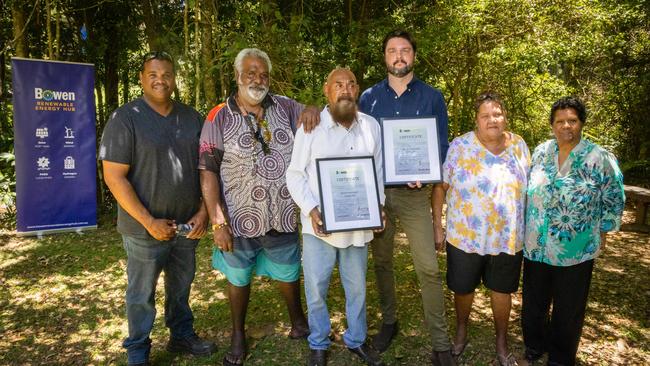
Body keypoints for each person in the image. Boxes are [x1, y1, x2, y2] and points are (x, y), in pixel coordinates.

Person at [99, 51, 216, 366]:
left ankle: (181, 335)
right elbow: (113, 175)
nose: (160, 80)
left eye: (166, 74)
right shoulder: (125, 118)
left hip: (187, 226)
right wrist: (149, 221)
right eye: (153, 74)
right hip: (142, 229)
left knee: (181, 286)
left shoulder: (193, 118)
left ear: (174, 78)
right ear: (141, 78)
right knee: (141, 293)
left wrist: (204, 212)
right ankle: (137, 349)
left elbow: (208, 170)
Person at [198, 48, 313, 366]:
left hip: (282, 214)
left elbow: (317, 118)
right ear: (237, 76)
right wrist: (218, 221)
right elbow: (207, 171)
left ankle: (298, 322)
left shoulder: (287, 107)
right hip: (237, 218)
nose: (258, 79)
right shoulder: (218, 116)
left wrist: (315, 108)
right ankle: (238, 334)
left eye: (263, 74)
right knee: (239, 277)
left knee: (289, 273)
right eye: (250, 73)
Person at [358, 30, 455, 365]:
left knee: (427, 267)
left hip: (416, 196)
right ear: (384, 57)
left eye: (405, 50)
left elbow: (441, 148)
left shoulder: (432, 97)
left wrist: (427, 173)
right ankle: (389, 322)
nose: (398, 56)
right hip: (378, 194)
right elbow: (357, 145)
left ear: (414, 54)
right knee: (382, 262)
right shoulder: (368, 97)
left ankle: (440, 342)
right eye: (391, 51)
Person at [286, 67, 386, 366]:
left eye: (351, 84)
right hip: (320, 226)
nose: (345, 89)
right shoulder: (311, 126)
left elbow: (377, 172)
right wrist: (312, 210)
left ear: (358, 90)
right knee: (316, 287)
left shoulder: (371, 126)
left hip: (357, 225)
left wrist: (378, 207)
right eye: (338, 85)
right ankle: (318, 341)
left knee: (356, 287)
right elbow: (294, 175)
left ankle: (356, 339)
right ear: (327, 91)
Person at [520, 97, 625, 366]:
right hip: (537, 244)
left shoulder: (599, 157)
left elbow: (614, 196)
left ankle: (560, 357)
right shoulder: (542, 151)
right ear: (552, 125)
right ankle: (534, 345)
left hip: (575, 249)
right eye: (560, 121)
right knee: (534, 302)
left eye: (572, 120)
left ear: (581, 123)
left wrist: (604, 230)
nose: (566, 126)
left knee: (568, 309)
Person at [433, 92, 530, 366]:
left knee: (502, 289)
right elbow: (441, 187)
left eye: (497, 114)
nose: (492, 120)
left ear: (505, 117)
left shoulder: (520, 145)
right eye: (485, 115)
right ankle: (461, 331)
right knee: (463, 288)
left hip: (508, 237)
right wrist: (437, 227)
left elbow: (530, 190)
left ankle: (501, 341)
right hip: (465, 237)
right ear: (476, 120)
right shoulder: (460, 146)